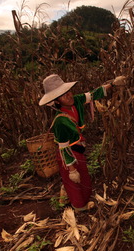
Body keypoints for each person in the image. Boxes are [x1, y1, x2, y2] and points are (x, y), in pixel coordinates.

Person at [39, 74, 126, 210]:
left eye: (68, 92)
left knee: (79, 179)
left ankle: (65, 195)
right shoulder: (60, 121)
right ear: (56, 102)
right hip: (68, 154)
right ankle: (79, 206)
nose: (68, 96)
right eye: (63, 95)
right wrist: (72, 169)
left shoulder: (75, 101)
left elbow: (92, 94)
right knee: (77, 180)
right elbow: (63, 148)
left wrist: (113, 84)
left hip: (78, 149)